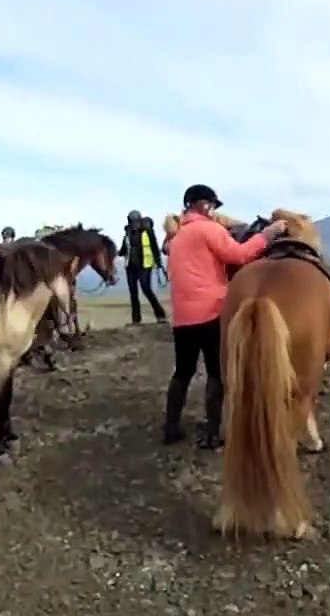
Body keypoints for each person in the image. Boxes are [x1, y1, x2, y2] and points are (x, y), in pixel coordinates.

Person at [163, 184, 287, 449]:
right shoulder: (209, 230)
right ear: (201, 204)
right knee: (216, 372)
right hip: (211, 312)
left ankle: (170, 427)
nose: (213, 211)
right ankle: (212, 430)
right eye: (211, 205)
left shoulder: (177, 239)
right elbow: (239, 255)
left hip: (182, 317)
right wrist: (267, 235)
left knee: (182, 371)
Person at [118, 209, 168, 325]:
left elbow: (154, 246)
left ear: (139, 220)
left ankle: (160, 315)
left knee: (146, 289)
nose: (134, 224)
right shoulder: (128, 232)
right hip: (130, 267)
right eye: (132, 221)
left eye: (136, 221)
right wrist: (118, 253)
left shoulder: (148, 231)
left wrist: (159, 262)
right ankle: (136, 320)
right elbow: (124, 248)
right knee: (133, 293)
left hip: (144, 266)